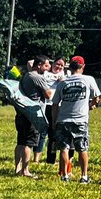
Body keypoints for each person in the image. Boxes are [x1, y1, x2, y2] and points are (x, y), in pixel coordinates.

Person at [51, 55, 100, 183]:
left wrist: (54, 121)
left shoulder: (62, 82)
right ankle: (84, 176)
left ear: (70, 67)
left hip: (63, 120)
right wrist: (92, 105)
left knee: (64, 148)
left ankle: (64, 176)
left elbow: (55, 104)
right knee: (82, 148)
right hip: (81, 120)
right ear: (83, 67)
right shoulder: (88, 79)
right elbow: (97, 96)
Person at [19, 55, 54, 168]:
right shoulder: (37, 77)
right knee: (28, 143)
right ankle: (25, 170)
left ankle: (18, 168)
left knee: (20, 142)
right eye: (46, 65)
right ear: (39, 65)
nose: (48, 68)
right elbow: (49, 95)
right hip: (34, 114)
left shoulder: (26, 75)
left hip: (22, 112)